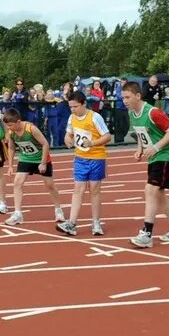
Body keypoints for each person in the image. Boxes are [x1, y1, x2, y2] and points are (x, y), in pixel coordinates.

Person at [121, 82, 169, 248]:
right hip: (153, 156)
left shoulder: (153, 112)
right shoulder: (132, 113)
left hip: (166, 155)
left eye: (127, 97)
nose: (124, 101)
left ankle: (146, 233)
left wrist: (156, 147)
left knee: (150, 190)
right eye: (123, 97)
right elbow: (140, 133)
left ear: (138, 96)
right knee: (158, 194)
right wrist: (139, 149)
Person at [56, 90, 110, 236]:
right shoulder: (71, 118)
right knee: (77, 189)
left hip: (97, 158)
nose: (73, 110)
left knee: (94, 190)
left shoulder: (95, 117)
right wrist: (67, 138)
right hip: (80, 158)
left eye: (75, 107)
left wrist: (92, 143)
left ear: (84, 104)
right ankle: (72, 223)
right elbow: (69, 132)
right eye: (70, 107)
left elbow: (107, 136)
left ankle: (96, 223)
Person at [1, 107, 64, 226]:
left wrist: (43, 163)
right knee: (17, 182)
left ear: (18, 122)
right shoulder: (11, 132)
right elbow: (11, 147)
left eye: (10, 125)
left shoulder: (31, 129)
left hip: (41, 158)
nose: (8, 128)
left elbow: (45, 144)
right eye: (7, 125)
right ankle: (18, 214)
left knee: (50, 185)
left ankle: (58, 210)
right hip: (26, 158)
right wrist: (10, 165)